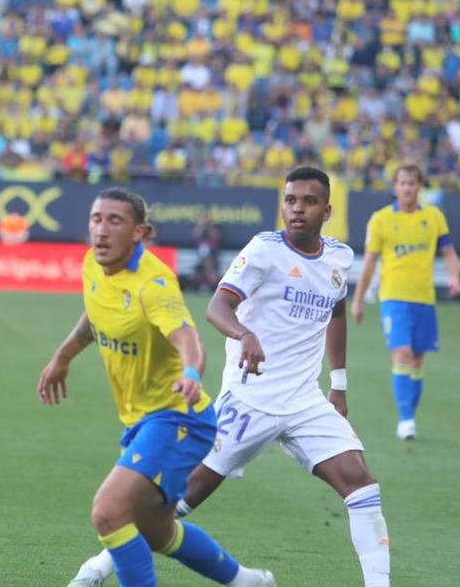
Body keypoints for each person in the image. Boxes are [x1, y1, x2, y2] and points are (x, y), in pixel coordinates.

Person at [68, 168, 390, 587]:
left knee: (362, 486)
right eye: (290, 200)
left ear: (326, 210)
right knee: (179, 500)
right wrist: (245, 333)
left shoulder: (338, 258)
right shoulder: (264, 250)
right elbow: (217, 307)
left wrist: (340, 384)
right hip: (248, 399)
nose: (297, 209)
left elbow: (337, 311)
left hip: (306, 401)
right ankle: (100, 565)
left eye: (308, 202)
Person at [39, 188, 274, 587]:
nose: (102, 229)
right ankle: (245, 581)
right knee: (157, 532)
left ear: (139, 232)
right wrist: (62, 357)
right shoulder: (93, 266)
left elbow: (188, 338)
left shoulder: (154, 282)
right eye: (97, 219)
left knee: (109, 512)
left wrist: (193, 374)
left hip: (179, 418)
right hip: (141, 420)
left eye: (115, 220)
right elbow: (95, 316)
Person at [352, 164, 460, 441]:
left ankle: (409, 415)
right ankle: (406, 419)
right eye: (402, 183)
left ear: (419, 186)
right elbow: (369, 262)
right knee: (401, 353)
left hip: (424, 297)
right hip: (393, 297)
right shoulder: (380, 220)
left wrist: (455, 277)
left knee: (417, 360)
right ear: (395, 187)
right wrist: (358, 300)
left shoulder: (434, 217)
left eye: (412, 183)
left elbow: (448, 251)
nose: (407, 188)